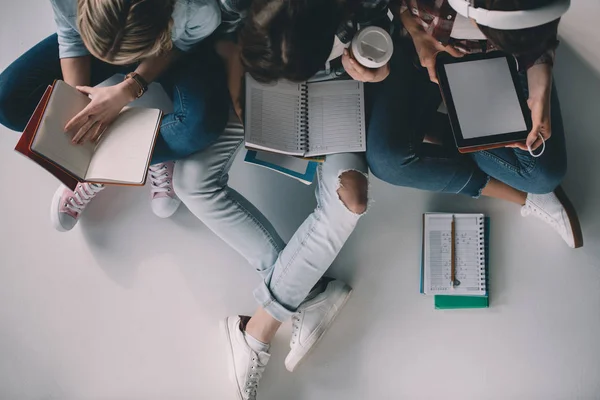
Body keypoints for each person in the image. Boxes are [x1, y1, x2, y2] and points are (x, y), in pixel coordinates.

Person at [173, 0, 391, 397]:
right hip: (258, 80)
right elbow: (220, 37)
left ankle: (257, 331)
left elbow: (385, 31)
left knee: (352, 200)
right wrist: (240, 74)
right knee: (189, 180)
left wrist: (375, 64)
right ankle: (306, 293)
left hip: (333, 88)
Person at [366, 0, 583, 248]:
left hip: (508, 53)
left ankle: (443, 130)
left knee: (543, 176)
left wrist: (540, 79)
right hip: (423, 47)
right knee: (388, 161)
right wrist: (417, 34)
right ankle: (525, 197)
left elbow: (541, 24)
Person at [0, 0, 229, 231]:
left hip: (170, 47)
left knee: (203, 124)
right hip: (118, 32)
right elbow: (71, 37)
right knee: (6, 103)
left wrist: (128, 89)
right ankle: (140, 150)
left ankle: (132, 156)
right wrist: (79, 106)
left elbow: (181, 45)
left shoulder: (198, 9)